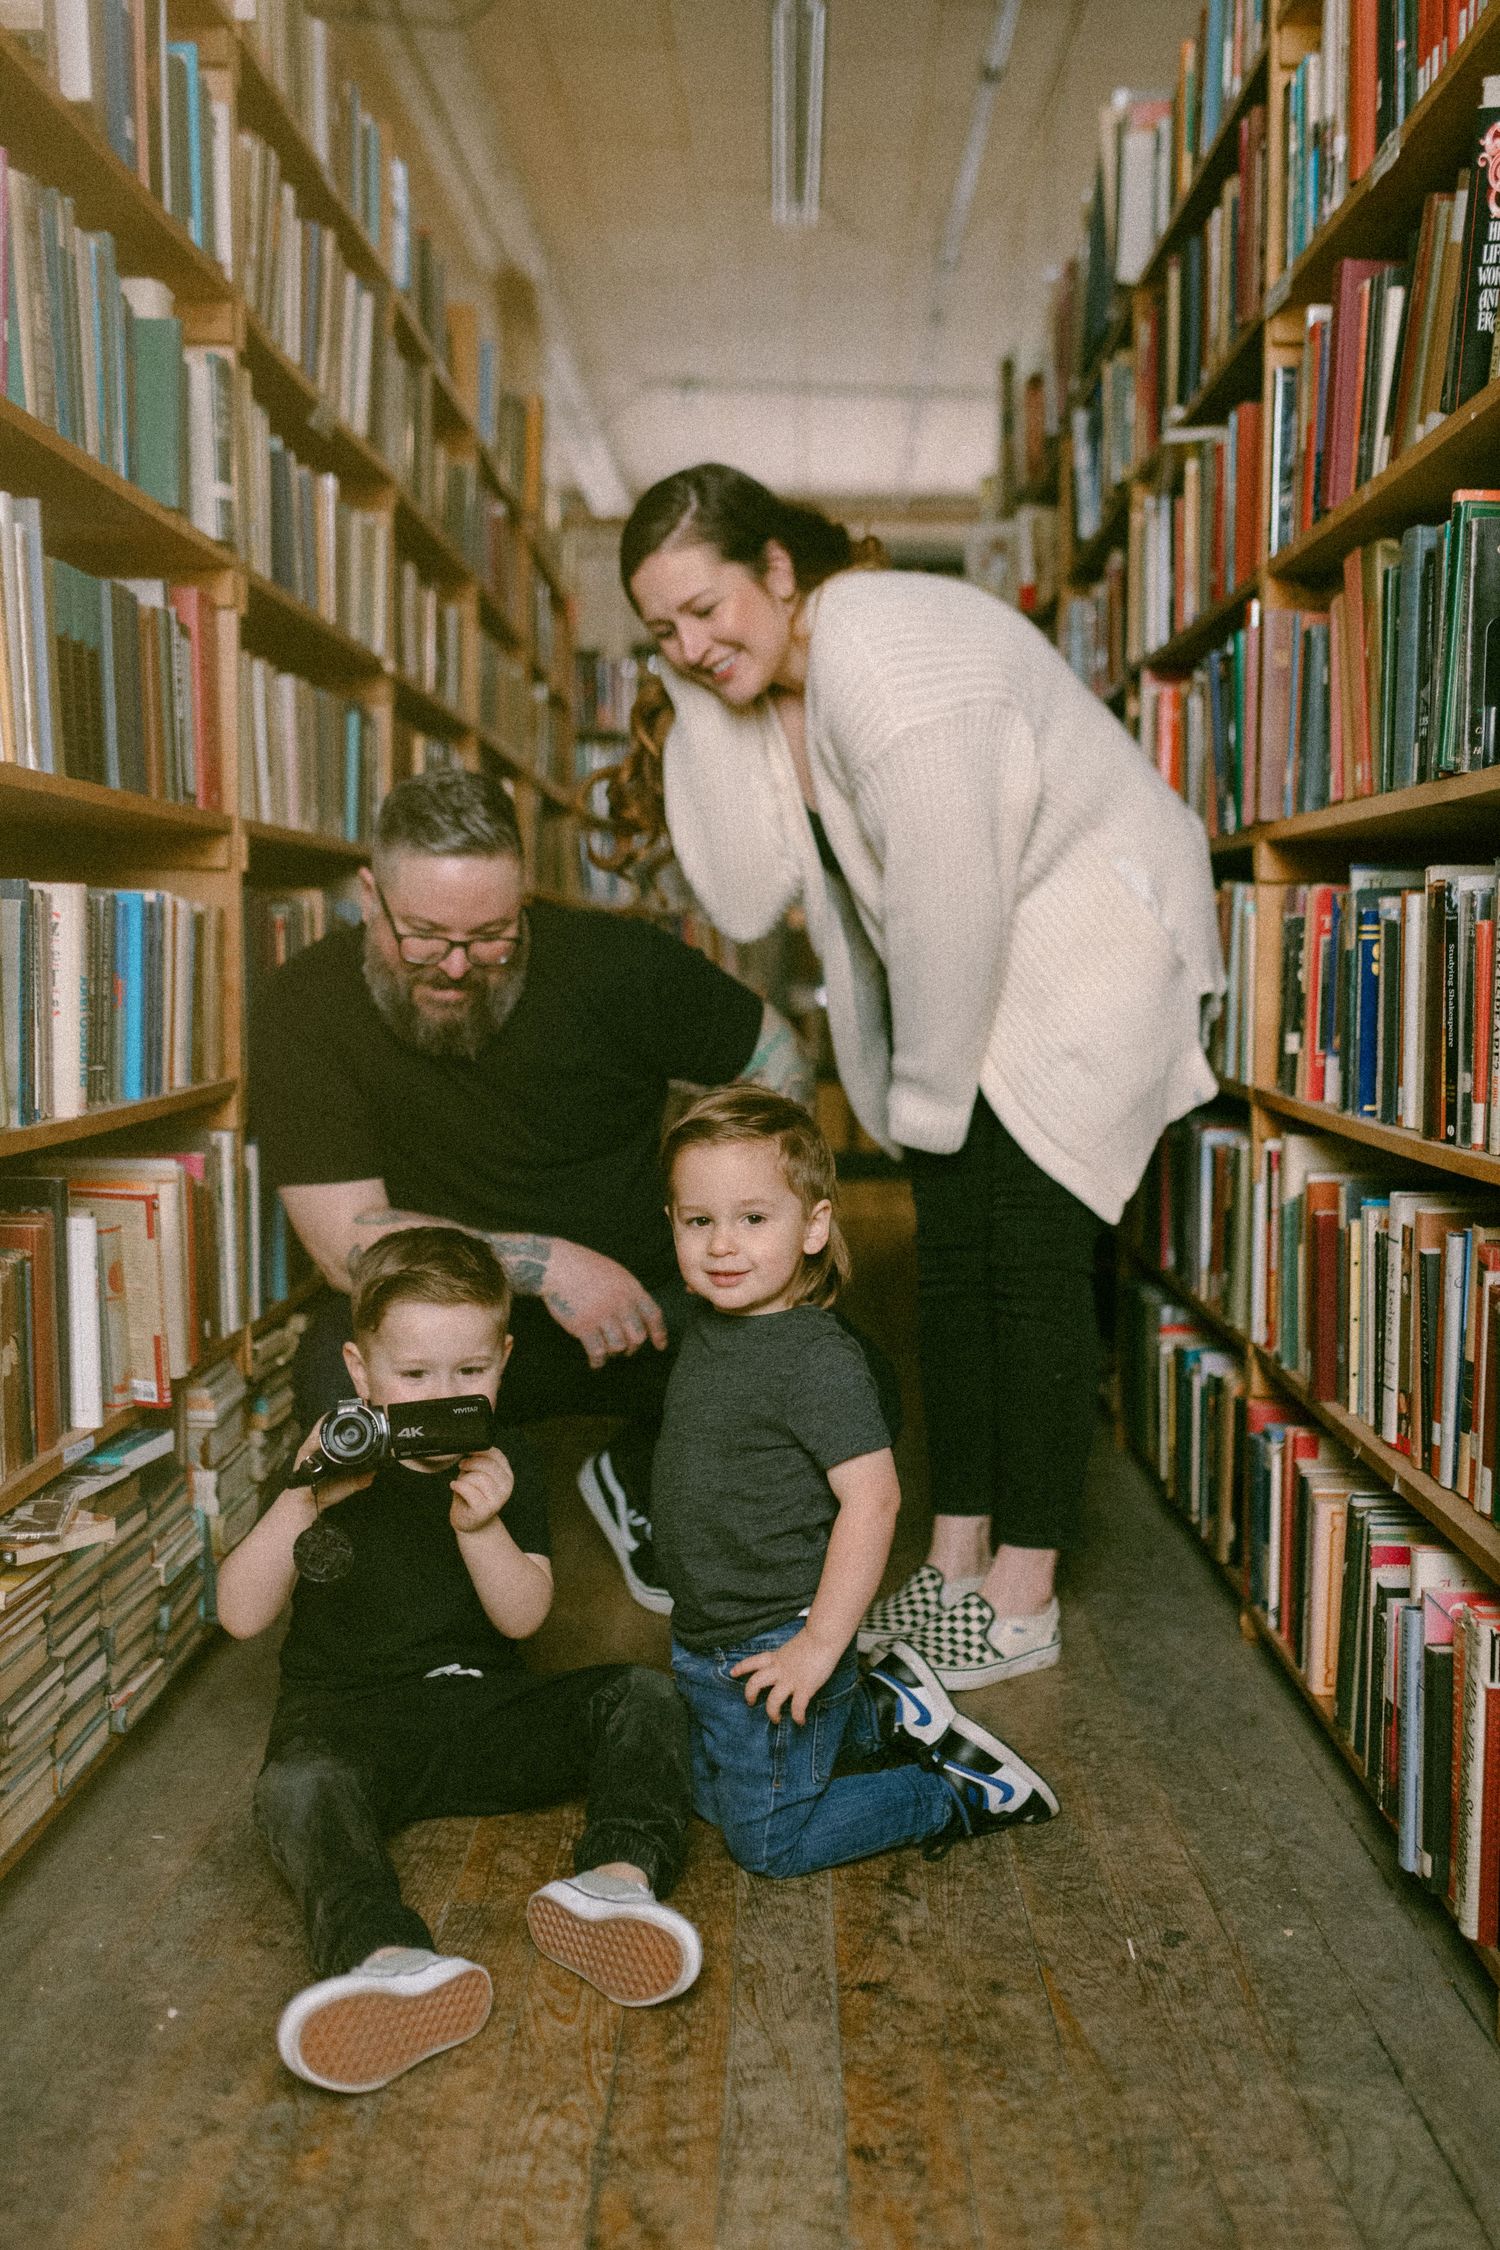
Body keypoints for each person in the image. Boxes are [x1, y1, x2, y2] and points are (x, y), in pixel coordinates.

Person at [615, 464, 1225, 1690]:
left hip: (1086, 954)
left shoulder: (888, 657)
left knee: (1026, 1268)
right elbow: (746, 891)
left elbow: (949, 906)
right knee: (953, 1273)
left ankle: (1026, 1589)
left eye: (706, 608)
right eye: (660, 629)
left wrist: (923, 1108)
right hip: (990, 971)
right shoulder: (778, 680)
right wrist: (706, 702)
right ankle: (955, 1561)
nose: (687, 644)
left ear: (779, 571)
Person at [247, 763, 814, 1615]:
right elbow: (343, 1243)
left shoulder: (617, 962)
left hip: (650, 1313)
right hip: (458, 1343)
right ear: (370, 896)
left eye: (492, 936)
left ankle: (633, 1470)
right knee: (336, 1379)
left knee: (831, 1365)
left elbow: (777, 1057)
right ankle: (462, 1589)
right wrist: (549, 1266)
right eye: (426, 935)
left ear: (525, 904)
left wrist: (733, 1221)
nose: (458, 966)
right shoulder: (308, 1003)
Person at [218, 1226, 701, 2095]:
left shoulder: (505, 1458)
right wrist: (303, 1500)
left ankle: (616, 1885)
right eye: (414, 1377)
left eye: (470, 1373)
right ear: (362, 1372)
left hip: (481, 1711)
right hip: (351, 1728)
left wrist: (480, 1528)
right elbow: (240, 1615)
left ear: (504, 1361)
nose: (445, 1396)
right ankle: (386, 1959)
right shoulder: (324, 1457)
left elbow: (525, 1617)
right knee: (296, 1786)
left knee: (644, 1693)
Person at [654, 1084, 1058, 1878]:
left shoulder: (816, 1360)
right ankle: (875, 1714)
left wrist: (817, 1646)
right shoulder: (708, 1322)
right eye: (699, 1221)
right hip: (706, 1631)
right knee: (700, 1790)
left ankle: (957, 1793)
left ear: (813, 1226)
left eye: (753, 1218)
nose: (722, 1245)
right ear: (672, 1225)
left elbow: (875, 1501)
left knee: (768, 1841)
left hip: (782, 1630)